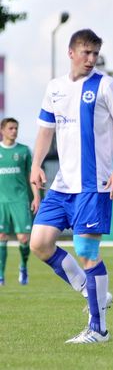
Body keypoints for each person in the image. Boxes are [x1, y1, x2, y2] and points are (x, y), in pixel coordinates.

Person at [29, 29, 113, 344]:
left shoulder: (106, 85)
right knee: (39, 243)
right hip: (63, 185)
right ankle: (91, 292)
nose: (91, 59)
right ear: (71, 52)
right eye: (86, 53)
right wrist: (36, 164)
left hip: (94, 185)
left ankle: (99, 330)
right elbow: (45, 130)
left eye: (95, 54)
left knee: (87, 251)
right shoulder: (55, 87)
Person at [0, 118, 41, 285]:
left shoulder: (23, 151)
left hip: (19, 200)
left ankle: (23, 266)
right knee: (1, 237)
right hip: (1, 201)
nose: (14, 131)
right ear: (2, 130)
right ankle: (1, 276)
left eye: (16, 128)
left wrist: (36, 197)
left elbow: (32, 176)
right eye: (10, 128)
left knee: (24, 238)